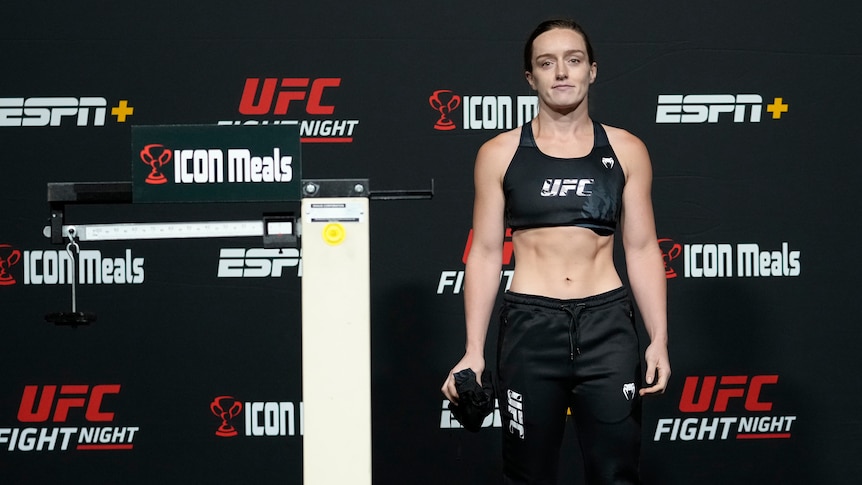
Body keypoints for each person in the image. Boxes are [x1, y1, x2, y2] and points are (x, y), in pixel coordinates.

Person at [441, 18, 670, 484]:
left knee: (615, 474)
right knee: (528, 475)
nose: (561, 72)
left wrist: (659, 337)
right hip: (530, 326)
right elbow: (485, 252)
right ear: (531, 77)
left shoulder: (627, 149)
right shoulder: (499, 153)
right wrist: (472, 351)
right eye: (547, 63)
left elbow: (643, 248)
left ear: (592, 70)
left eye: (573, 60)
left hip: (607, 327)